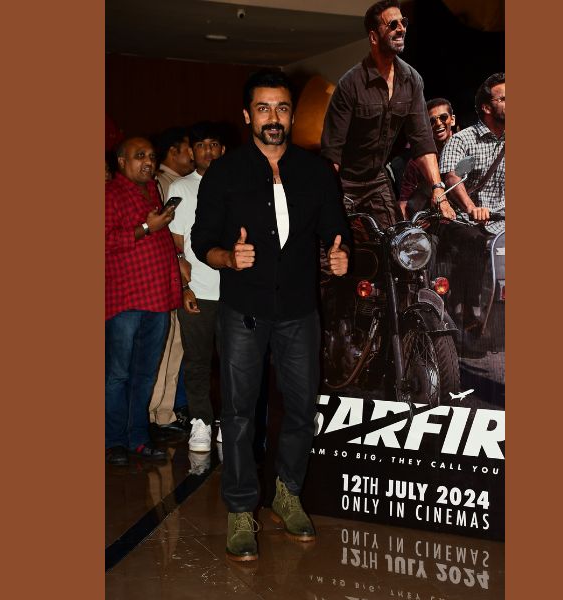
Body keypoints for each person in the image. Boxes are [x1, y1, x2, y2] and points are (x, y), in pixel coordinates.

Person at [191, 69, 350, 562]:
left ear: (291, 114)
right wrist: (226, 257)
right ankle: (241, 508)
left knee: (302, 408)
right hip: (244, 310)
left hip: (299, 311)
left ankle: (287, 493)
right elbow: (201, 240)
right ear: (248, 115)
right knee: (239, 414)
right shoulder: (225, 173)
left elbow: (336, 231)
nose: (273, 118)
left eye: (281, 108)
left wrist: (340, 256)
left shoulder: (316, 172)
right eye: (263, 108)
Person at [320, 0, 455, 231]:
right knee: (335, 243)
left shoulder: (411, 80)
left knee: (398, 241)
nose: (401, 28)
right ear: (374, 37)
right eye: (392, 25)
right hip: (344, 181)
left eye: (403, 22)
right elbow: (332, 151)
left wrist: (438, 191)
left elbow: (422, 140)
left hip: (376, 178)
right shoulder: (351, 84)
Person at [105, 137, 183, 465]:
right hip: (125, 301)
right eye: (140, 156)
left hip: (157, 299)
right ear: (122, 161)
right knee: (118, 375)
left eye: (151, 155)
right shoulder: (109, 194)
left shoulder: (153, 190)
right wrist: (146, 227)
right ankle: (113, 441)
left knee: (146, 374)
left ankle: (138, 437)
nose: (148, 162)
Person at [168, 121, 226, 453]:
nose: (208, 151)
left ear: (223, 149)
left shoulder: (238, 185)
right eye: (201, 145)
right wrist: (184, 287)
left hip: (235, 293)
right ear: (192, 152)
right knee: (197, 361)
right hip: (198, 292)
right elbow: (174, 245)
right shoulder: (181, 187)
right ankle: (201, 422)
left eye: (213, 144)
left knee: (236, 363)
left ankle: (230, 421)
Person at [439, 72, 505, 326]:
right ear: (487, 108)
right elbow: (451, 176)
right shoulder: (463, 140)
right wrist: (471, 207)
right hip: (468, 221)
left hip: (503, 220)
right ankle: (468, 310)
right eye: (504, 99)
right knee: (473, 242)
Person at [398, 97, 456, 217]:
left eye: (443, 117)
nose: (438, 123)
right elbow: (404, 202)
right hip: (432, 220)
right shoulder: (416, 163)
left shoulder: (468, 149)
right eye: (432, 121)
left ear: (452, 120)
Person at [153, 126, 194, 199]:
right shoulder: (158, 183)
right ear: (173, 152)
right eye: (189, 150)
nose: (193, 155)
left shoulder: (171, 180)